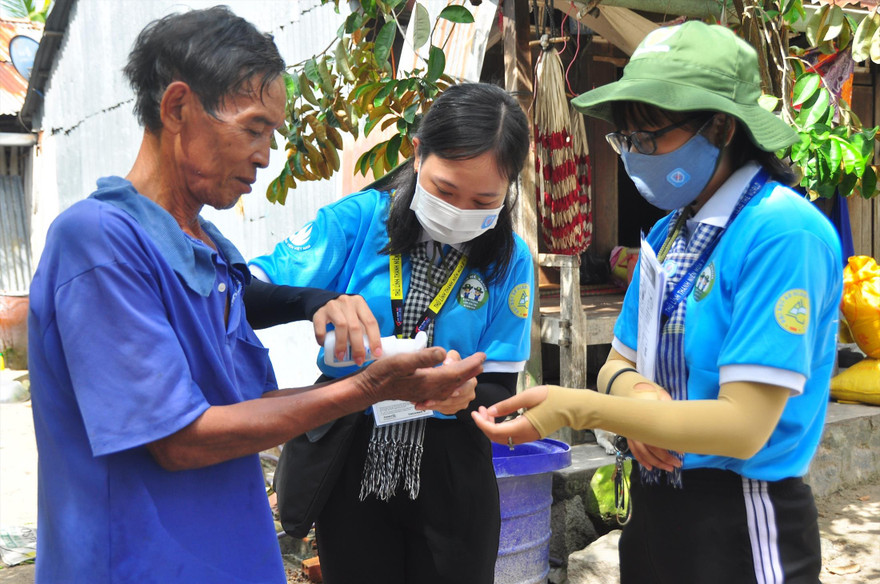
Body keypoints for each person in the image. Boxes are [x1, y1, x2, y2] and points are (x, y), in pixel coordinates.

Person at [26, 7, 485, 584]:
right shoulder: (98, 244)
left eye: (272, 133)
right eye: (253, 128)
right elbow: (180, 440)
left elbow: (243, 396)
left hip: (229, 552)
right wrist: (364, 388)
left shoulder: (208, 248)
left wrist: (343, 336)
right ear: (176, 108)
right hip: (139, 564)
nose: (266, 156)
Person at [472, 21, 842, 584]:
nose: (635, 155)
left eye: (651, 138)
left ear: (720, 127)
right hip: (657, 505)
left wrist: (581, 410)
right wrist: (644, 404)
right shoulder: (671, 234)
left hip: (741, 517)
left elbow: (744, 426)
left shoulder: (782, 233)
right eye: (627, 141)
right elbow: (617, 363)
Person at [249, 82, 533, 584]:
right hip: (353, 455)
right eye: (445, 191)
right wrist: (315, 301)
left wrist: (463, 395)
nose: (461, 211)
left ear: (508, 189)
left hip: (451, 472)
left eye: (484, 199)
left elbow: (498, 388)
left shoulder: (511, 261)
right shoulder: (357, 223)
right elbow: (243, 295)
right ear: (418, 153)